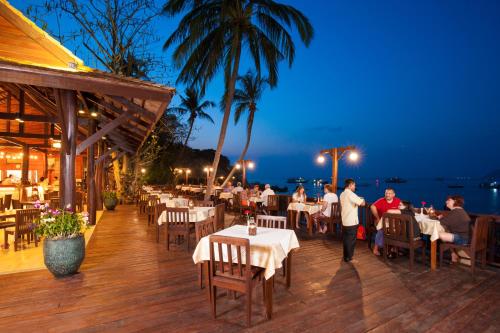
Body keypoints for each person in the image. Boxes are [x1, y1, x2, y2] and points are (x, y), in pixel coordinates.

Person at [438, 195, 471, 263]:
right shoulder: (459, 211)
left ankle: (453, 253)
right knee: (444, 231)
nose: (446, 201)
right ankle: (453, 254)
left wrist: (439, 218)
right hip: (464, 237)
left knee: (438, 234)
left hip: (462, 239)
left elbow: (441, 222)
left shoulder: (456, 212)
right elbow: (448, 221)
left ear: (455, 201)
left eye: (449, 200)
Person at [340, 179, 365, 263]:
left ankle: (346, 256)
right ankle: (349, 258)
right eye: (354, 185)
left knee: (346, 239)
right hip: (351, 221)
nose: (355, 187)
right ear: (350, 185)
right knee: (351, 240)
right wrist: (362, 198)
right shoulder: (351, 194)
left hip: (345, 220)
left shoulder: (342, 194)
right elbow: (362, 203)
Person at [371, 188, 401, 256]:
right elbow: (372, 206)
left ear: (393, 195)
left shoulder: (397, 200)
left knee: (399, 229)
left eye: (389, 193)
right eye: (386, 193)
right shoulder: (381, 200)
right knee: (382, 230)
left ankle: (394, 247)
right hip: (381, 221)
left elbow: (403, 208)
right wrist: (377, 218)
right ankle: (376, 249)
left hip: (393, 222)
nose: (387, 195)